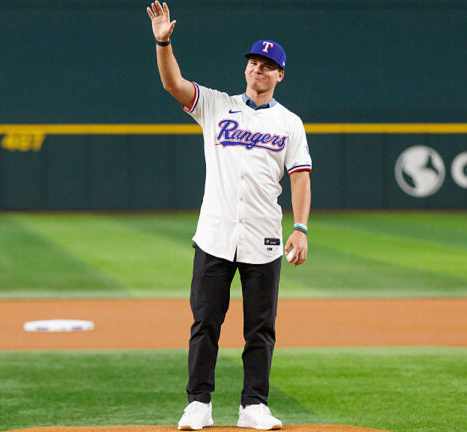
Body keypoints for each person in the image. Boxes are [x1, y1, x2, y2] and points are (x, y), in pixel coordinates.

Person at [146, 1, 312, 430]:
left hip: (263, 237)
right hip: (216, 234)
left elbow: (300, 178)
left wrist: (300, 227)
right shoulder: (217, 106)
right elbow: (173, 84)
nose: (258, 69)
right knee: (205, 323)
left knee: (260, 329)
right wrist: (163, 41)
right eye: (254, 62)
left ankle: (254, 405)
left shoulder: (290, 123)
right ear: (246, 70)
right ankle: (198, 403)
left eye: (267, 65)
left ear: (279, 76)